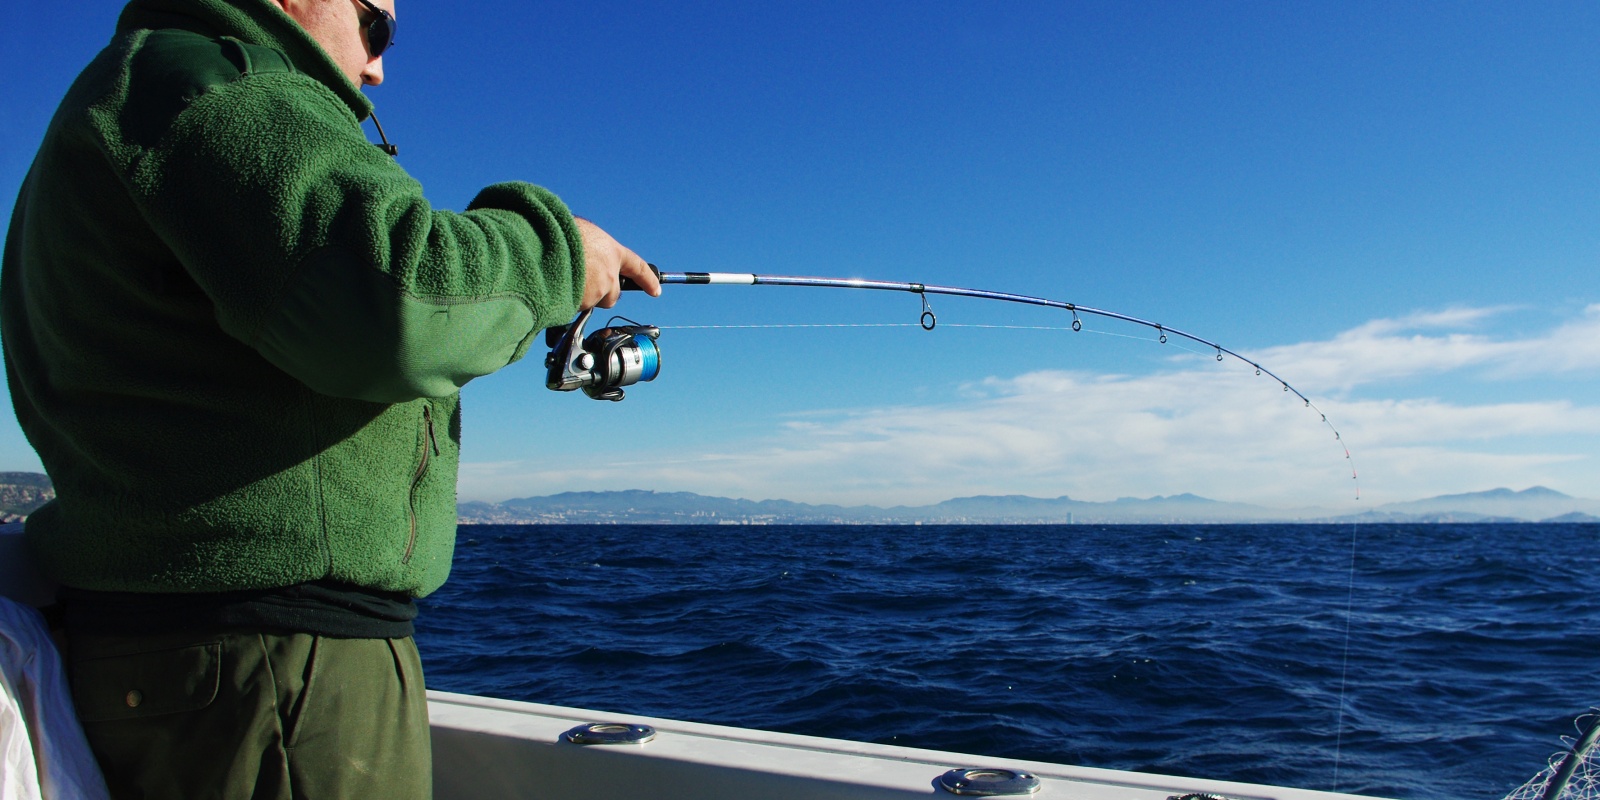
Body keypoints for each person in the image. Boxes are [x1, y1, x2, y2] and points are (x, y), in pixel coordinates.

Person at [0, 0, 660, 796]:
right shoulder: (223, 84)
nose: (378, 66)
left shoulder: (141, 92)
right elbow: (394, 305)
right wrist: (558, 248)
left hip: (198, 658)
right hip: (272, 667)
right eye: (377, 25)